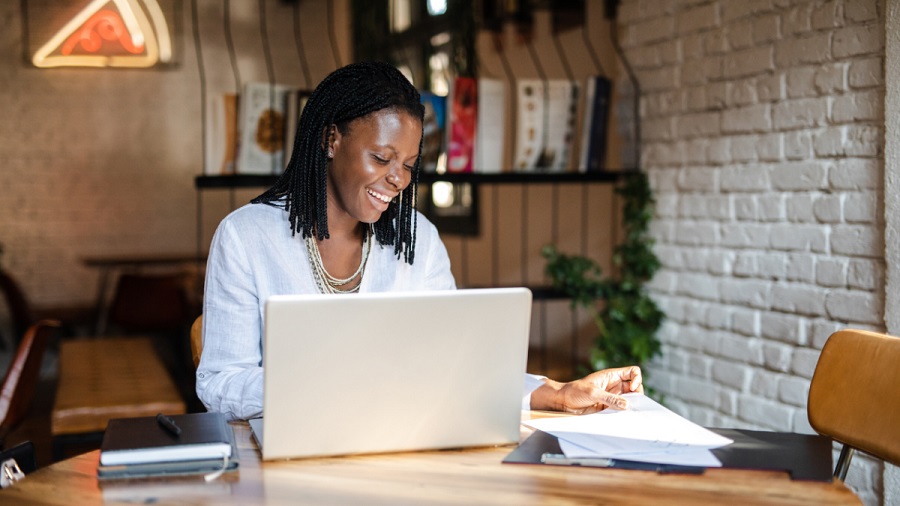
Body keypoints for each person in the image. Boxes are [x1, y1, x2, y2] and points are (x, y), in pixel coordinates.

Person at [196, 61, 643, 422]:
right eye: (382, 157)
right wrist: (330, 381)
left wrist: (557, 393)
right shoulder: (245, 237)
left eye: (409, 164)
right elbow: (219, 385)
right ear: (331, 139)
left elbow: (454, 368)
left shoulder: (419, 240)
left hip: (401, 444)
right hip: (292, 456)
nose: (397, 179)